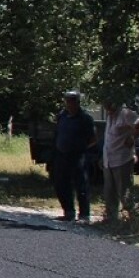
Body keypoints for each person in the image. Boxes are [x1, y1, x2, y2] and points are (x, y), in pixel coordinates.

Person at [100, 101, 139, 223]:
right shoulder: (109, 116)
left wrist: (132, 137)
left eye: (110, 104)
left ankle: (135, 219)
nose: (107, 108)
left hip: (122, 159)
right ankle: (111, 219)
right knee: (109, 192)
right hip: (109, 160)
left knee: (125, 192)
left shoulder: (125, 113)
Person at [53, 90, 97, 222]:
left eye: (72, 101)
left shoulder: (85, 118)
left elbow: (93, 139)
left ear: (77, 102)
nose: (70, 103)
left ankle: (84, 214)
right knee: (61, 184)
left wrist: (80, 148)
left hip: (78, 156)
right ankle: (68, 212)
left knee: (81, 185)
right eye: (68, 101)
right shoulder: (62, 116)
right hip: (62, 155)